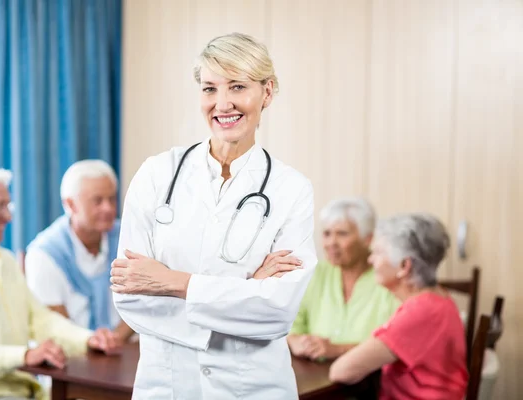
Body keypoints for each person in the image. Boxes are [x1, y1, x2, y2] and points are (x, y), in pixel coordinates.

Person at [109, 32, 317, 399]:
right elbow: (130, 295)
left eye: (238, 86)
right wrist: (246, 290)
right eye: (209, 89)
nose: (222, 104)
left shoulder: (291, 189)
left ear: (267, 92)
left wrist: (173, 282)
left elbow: (276, 311)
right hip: (168, 387)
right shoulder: (157, 174)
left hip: (253, 389)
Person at [0, 168, 121, 400]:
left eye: (9, 206)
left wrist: (87, 339)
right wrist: (24, 355)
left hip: (20, 390)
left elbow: (40, 320)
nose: (8, 217)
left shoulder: (5, 261)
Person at [329, 213, 468, 399]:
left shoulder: (421, 312)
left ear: (404, 266)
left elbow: (341, 371)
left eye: (378, 253)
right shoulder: (439, 299)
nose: (371, 260)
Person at [26, 160, 134, 342]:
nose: (108, 208)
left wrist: (114, 340)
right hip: (72, 356)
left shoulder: (130, 237)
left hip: (124, 350)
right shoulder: (43, 254)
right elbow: (55, 326)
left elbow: (145, 302)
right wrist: (96, 343)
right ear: (71, 204)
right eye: (97, 201)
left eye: (111, 199)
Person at [288, 197, 400, 361]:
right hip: (315, 376)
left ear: (367, 238)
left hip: (369, 381)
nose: (331, 242)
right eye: (327, 234)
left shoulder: (389, 278)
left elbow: (395, 342)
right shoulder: (315, 273)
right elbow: (291, 322)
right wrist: (295, 341)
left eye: (342, 234)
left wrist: (337, 349)